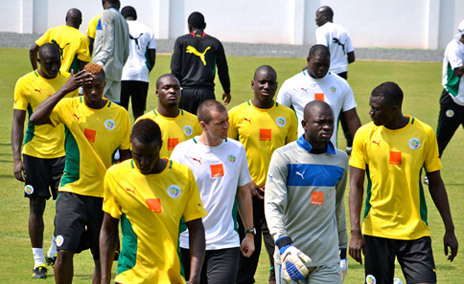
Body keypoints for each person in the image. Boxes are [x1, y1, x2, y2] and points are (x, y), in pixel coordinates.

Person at [30, 63, 131, 284]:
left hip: (104, 196)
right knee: (64, 251)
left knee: (101, 257)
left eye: (98, 86)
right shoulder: (68, 106)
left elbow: (126, 159)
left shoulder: (120, 114)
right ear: (82, 86)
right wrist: (65, 89)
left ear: (105, 85)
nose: (93, 92)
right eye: (89, 87)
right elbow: (35, 118)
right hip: (71, 191)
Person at [349, 82, 458, 284]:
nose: (371, 113)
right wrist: (355, 232)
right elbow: (355, 185)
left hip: (415, 232)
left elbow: (435, 183)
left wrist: (449, 229)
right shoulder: (364, 135)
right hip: (376, 231)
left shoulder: (423, 134)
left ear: (394, 109)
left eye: (376, 109)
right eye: (371, 107)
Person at [100, 119, 207, 284]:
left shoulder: (183, 176)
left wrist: (194, 277)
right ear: (131, 146)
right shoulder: (116, 176)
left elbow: (196, 229)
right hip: (130, 277)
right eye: (138, 155)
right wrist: (104, 279)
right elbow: (109, 230)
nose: (144, 162)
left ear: (160, 146)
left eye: (151, 156)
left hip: (170, 278)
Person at [12, 43, 79, 279]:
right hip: (35, 155)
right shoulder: (25, 83)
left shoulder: (69, 81)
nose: (53, 68)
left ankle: (53, 250)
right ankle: (39, 261)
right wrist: (17, 159)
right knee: (36, 207)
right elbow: (18, 122)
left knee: (64, 208)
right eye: (48, 64)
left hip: (63, 155)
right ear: (38, 61)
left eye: (56, 63)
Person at [170, 100, 255, 284]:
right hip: (189, 241)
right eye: (220, 123)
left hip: (226, 242)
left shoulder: (237, 149)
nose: (227, 126)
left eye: (227, 120)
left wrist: (249, 233)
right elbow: (172, 198)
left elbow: (243, 193)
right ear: (204, 125)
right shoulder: (182, 152)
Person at [265, 100, 348, 284]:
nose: (326, 127)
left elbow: (337, 205)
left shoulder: (341, 160)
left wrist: (342, 249)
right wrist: (283, 245)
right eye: (320, 122)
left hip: (327, 258)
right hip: (292, 256)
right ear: (305, 124)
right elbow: (272, 205)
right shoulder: (283, 157)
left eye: (330, 122)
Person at [228, 65, 298, 284]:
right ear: (253, 84)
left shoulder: (287, 115)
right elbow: (228, 156)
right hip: (244, 197)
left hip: (275, 197)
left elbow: (292, 156)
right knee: (245, 255)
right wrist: (245, 182)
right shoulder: (236, 115)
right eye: (262, 82)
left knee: (279, 254)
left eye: (271, 83)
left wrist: (278, 184)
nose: (267, 86)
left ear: (277, 86)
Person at [276, 44, 361, 148]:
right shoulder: (291, 84)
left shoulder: (341, 84)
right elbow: (279, 116)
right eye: (317, 64)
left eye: (326, 65)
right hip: (300, 153)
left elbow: (352, 118)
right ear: (308, 60)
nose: (322, 69)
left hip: (330, 153)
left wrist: (361, 148)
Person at [170, 11, 231, 114]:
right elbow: (223, 70)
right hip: (207, 93)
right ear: (205, 26)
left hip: (185, 93)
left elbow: (175, 70)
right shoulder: (215, 43)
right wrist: (227, 90)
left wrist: (174, 90)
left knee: (185, 127)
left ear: (189, 27)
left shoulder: (181, 41)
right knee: (207, 128)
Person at [315, 5, 356, 154]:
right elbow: (351, 57)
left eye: (317, 16)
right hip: (343, 74)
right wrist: (341, 63)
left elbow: (321, 52)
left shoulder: (322, 30)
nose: (315, 20)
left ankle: (324, 143)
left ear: (325, 17)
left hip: (328, 75)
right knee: (345, 109)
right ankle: (351, 143)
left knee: (326, 108)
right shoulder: (343, 30)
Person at [136, 74, 202, 158]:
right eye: (167, 88)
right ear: (157, 93)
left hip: (185, 171)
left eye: (176, 88)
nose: (172, 91)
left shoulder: (194, 121)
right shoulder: (144, 122)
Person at [120, 6, 157, 120]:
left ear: (122, 16)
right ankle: (139, 137)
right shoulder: (148, 30)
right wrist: (145, 70)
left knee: (120, 111)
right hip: (141, 74)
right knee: (139, 112)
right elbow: (152, 58)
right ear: (136, 17)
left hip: (122, 74)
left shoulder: (119, 28)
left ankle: (122, 137)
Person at [435, 20, 464, 158]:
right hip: (453, 98)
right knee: (441, 140)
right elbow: (459, 71)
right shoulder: (454, 47)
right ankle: (430, 175)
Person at [30, 9, 90, 74]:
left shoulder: (52, 31)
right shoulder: (82, 38)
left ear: (66, 19)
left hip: (50, 77)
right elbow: (83, 66)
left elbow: (32, 49)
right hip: (67, 79)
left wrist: (35, 70)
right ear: (81, 21)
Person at [92, 0, 129, 103]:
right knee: (113, 106)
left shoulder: (107, 14)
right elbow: (127, 51)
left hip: (104, 68)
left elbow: (108, 43)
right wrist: (120, 64)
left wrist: (99, 64)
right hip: (117, 69)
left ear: (103, 2)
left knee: (93, 102)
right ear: (119, 4)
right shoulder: (123, 20)